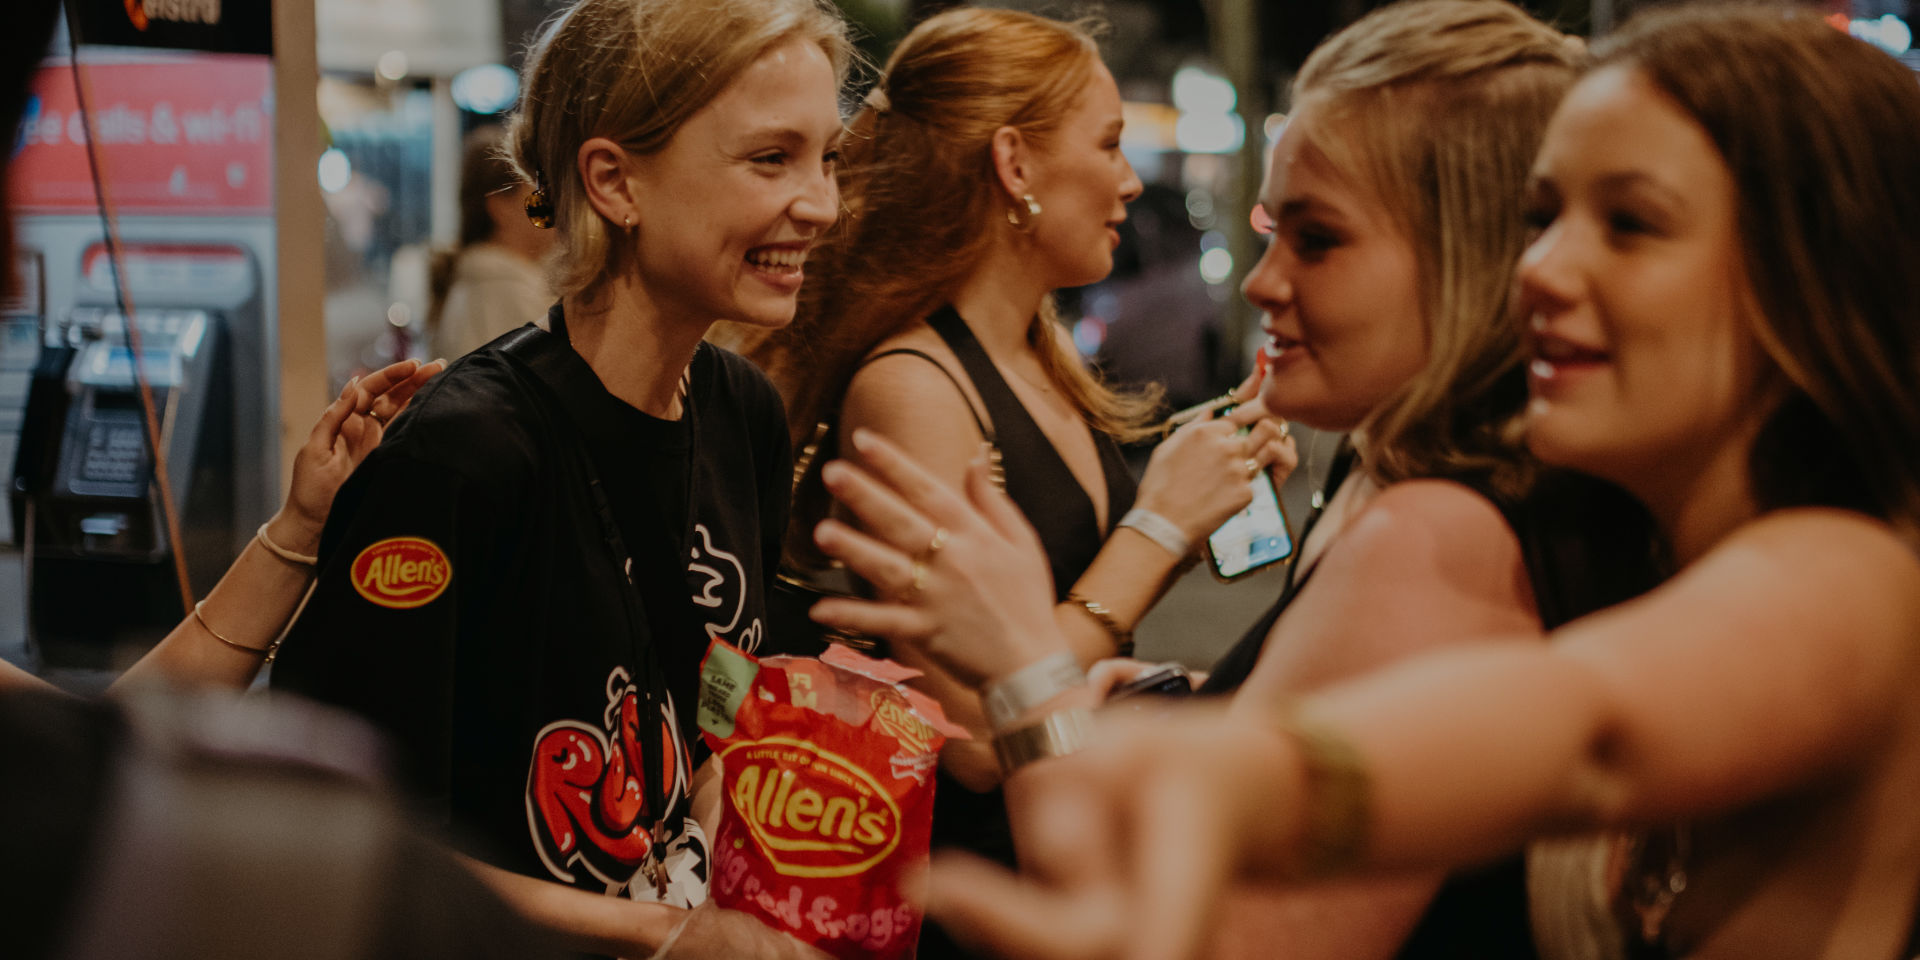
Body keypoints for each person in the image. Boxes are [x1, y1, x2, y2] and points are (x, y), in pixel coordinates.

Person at [808, 5, 1920, 959]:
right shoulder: (1658, 536)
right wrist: (1183, 724)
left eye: (1630, 224)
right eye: (1540, 218)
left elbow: (1584, 731)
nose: (1537, 268)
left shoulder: (1841, 572)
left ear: (1808, 274)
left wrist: (1045, 688)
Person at [269, 0, 852, 954]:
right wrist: (661, 934)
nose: (822, 203)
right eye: (770, 158)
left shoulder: (742, 412)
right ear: (614, 181)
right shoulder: (464, 458)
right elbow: (343, 842)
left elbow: (716, 703)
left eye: (828, 157)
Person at [714, 15, 1290, 954]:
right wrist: (1158, 530)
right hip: (976, 893)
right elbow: (976, 737)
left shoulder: (1035, 355)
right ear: (1015, 164)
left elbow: (1053, 611)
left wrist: (1192, 506)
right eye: (1109, 144)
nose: (1130, 180)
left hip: (1064, 840)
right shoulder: (913, 385)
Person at [428, 125, 555, 360]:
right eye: (542, 199)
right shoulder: (511, 292)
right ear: (500, 207)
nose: (557, 210)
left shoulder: (474, 280)